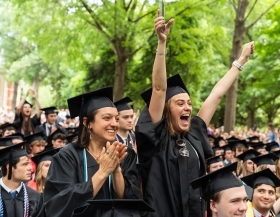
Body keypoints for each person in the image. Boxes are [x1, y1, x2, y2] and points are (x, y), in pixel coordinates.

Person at [135, 11, 254, 217]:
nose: (188, 108)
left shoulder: (194, 134)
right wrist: (161, 44)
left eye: (189, 103)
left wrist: (240, 61)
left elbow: (216, 96)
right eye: (180, 103)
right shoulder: (155, 136)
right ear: (166, 109)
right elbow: (159, 89)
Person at [44, 87, 141, 217]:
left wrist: (116, 169)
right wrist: (103, 172)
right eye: (107, 118)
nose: (114, 124)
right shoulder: (67, 157)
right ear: (87, 122)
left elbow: (129, 200)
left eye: (117, 119)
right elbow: (60, 204)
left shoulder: (124, 154)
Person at [0, 142, 45, 217]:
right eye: (25, 164)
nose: (30, 168)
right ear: (9, 167)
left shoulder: (36, 197)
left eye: (29, 164)